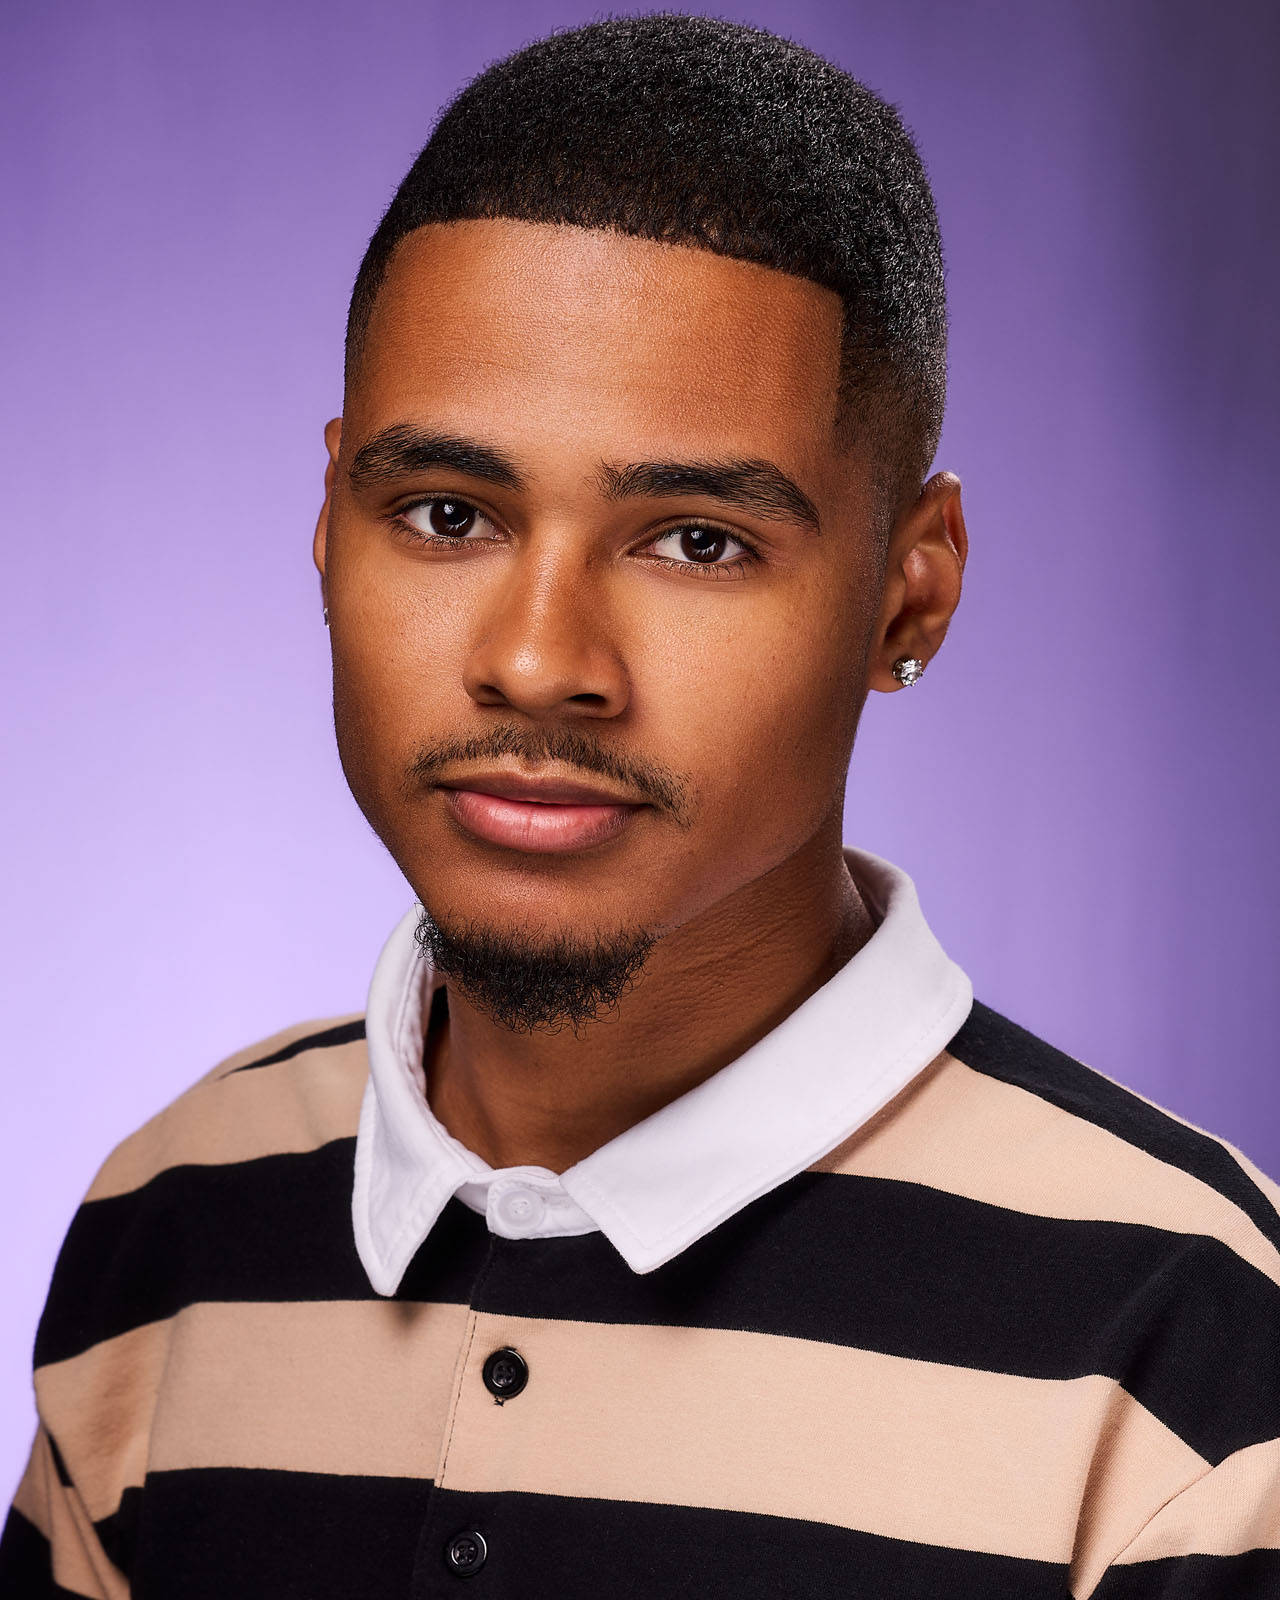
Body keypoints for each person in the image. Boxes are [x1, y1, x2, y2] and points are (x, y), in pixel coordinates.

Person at [4, 13, 1278, 1598]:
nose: (540, 661)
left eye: (695, 540)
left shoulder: (1194, 1365)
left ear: (910, 591)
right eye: (449, 512)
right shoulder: (169, 1225)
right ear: (331, 524)